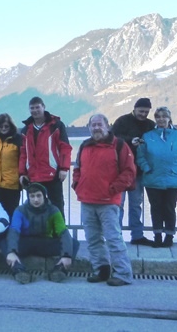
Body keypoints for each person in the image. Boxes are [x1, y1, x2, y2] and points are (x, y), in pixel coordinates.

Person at [73, 114, 135, 286]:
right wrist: (77, 184)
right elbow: (77, 167)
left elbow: (129, 171)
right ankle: (101, 270)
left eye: (100, 124)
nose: (96, 128)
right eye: (93, 125)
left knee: (113, 238)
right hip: (87, 200)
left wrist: (114, 189)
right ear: (89, 127)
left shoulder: (120, 145)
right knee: (93, 239)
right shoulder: (85, 145)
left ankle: (123, 274)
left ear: (108, 126)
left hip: (108, 202)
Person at [6, 183, 77, 284]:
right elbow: (14, 230)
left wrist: (67, 255)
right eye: (32, 196)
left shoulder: (53, 210)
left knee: (74, 243)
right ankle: (18, 270)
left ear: (44, 196)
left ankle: (60, 270)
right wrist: (11, 252)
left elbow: (63, 232)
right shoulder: (20, 210)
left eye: (39, 196)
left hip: (46, 243)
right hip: (26, 243)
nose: (36, 200)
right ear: (28, 197)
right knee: (4, 242)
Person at [111, 97, 156, 246]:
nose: (143, 114)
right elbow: (112, 138)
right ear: (135, 108)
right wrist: (131, 140)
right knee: (119, 204)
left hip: (139, 172)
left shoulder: (151, 125)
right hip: (121, 171)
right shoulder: (122, 121)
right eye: (141, 111)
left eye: (146, 112)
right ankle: (116, 236)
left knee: (136, 205)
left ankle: (137, 235)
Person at [18, 96, 72, 217]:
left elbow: (65, 148)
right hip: (33, 176)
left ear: (44, 107)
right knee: (35, 209)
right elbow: (23, 153)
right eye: (32, 108)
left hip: (53, 174)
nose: (35, 110)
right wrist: (22, 173)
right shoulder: (26, 130)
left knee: (57, 208)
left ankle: (59, 234)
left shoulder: (56, 125)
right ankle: (38, 234)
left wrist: (64, 168)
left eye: (37, 107)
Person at [136, 107, 177, 247]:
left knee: (169, 207)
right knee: (155, 208)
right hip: (153, 178)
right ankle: (157, 236)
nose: (161, 119)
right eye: (158, 116)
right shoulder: (147, 136)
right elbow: (140, 155)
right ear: (155, 119)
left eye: (164, 116)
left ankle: (169, 237)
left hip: (173, 179)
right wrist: (147, 168)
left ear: (169, 118)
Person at [0, 113, 23, 218]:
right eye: (1, 126)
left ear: (11, 126)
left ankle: (12, 233)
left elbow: (23, 159)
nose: (3, 128)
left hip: (13, 184)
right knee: (0, 213)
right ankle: (1, 233)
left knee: (12, 213)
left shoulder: (18, 140)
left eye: (6, 126)